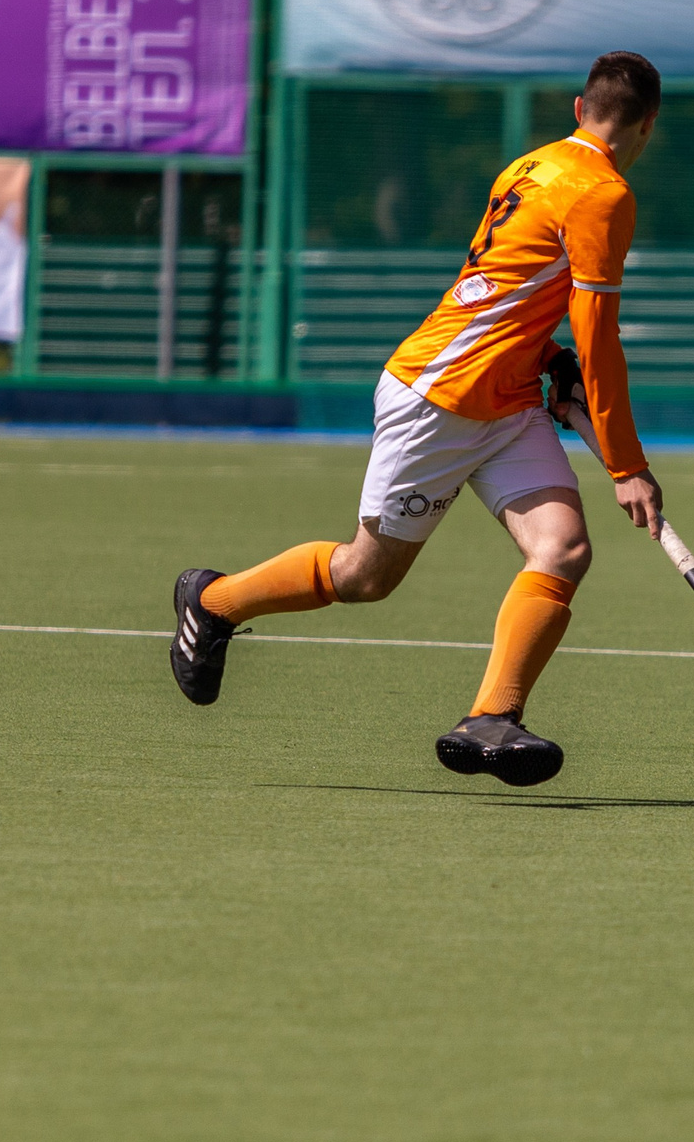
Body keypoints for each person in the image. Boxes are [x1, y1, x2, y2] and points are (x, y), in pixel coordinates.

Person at [166, 51, 668, 786]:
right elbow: (599, 336)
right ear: (648, 126)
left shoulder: (530, 166)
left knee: (562, 548)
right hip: (441, 396)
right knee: (366, 574)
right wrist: (626, 465)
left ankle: (492, 716)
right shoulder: (603, 193)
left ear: (577, 109)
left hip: (505, 399)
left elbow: (509, 288)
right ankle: (212, 602)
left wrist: (543, 357)